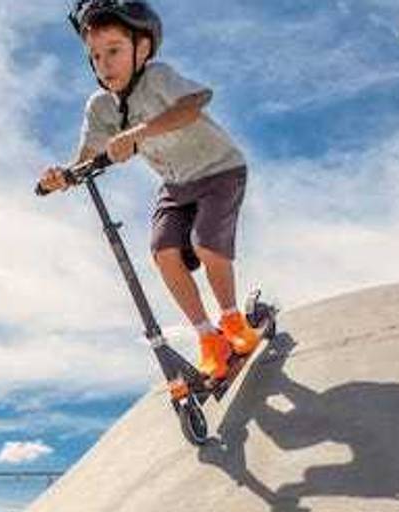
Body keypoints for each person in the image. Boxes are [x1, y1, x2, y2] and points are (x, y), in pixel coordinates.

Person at [39, 0, 258, 381]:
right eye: (95, 56)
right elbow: (87, 155)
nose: (104, 64)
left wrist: (138, 133)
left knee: (206, 244)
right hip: (176, 184)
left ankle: (233, 321)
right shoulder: (100, 107)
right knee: (164, 252)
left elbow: (192, 106)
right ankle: (210, 339)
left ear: (142, 48)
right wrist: (63, 176)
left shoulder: (158, 77)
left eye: (114, 51)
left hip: (220, 169)